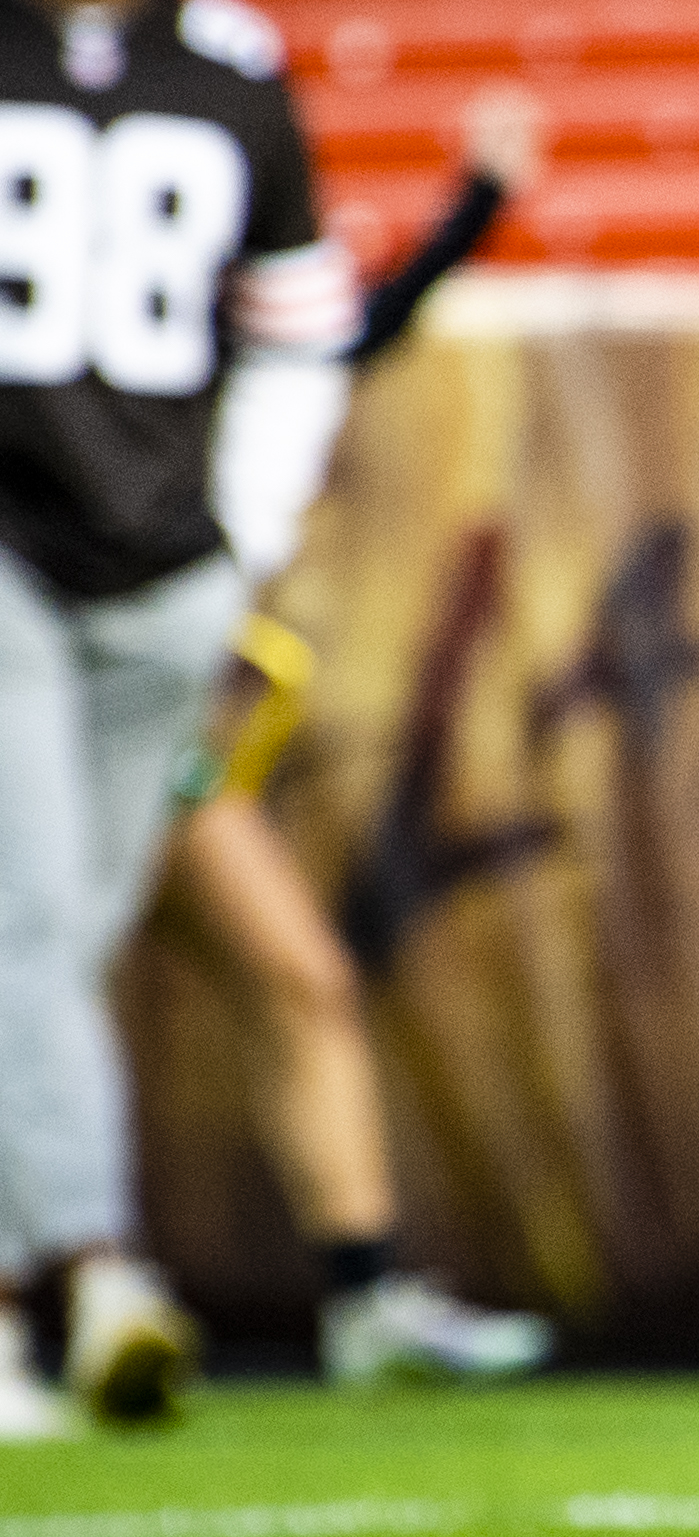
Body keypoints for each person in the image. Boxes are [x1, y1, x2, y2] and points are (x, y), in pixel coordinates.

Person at [0, 0, 357, 1437]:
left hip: (163, 569)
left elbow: (301, 322)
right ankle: (91, 1267)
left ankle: (13, 1307)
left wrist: (243, 540)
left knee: (57, 935)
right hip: (7, 543)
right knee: (23, 920)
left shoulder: (225, 63)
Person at [143, 85, 555, 1389]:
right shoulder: (131, 379)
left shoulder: (264, 357)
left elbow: (347, 336)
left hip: (159, 720)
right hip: (88, 697)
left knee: (294, 982)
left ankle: (364, 1297)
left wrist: (473, 213)